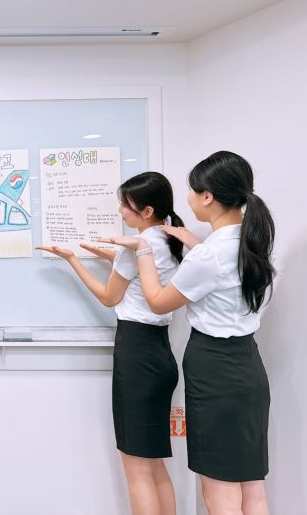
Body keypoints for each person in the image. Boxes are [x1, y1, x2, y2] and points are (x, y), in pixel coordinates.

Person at [104, 151, 274, 515]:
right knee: (252, 491)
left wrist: (144, 250)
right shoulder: (254, 245)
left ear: (208, 196)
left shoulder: (209, 255)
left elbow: (158, 302)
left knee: (220, 495)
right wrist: (196, 246)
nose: (190, 198)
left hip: (215, 372)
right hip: (248, 368)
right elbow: (221, 274)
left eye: (193, 191)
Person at [37, 171, 184, 515]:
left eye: (125, 205)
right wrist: (107, 255)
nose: (120, 211)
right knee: (154, 463)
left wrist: (73, 260)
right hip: (160, 353)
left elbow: (109, 296)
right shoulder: (169, 239)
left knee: (136, 467)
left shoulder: (137, 247)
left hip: (137, 354)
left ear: (146, 211)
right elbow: (140, 273)